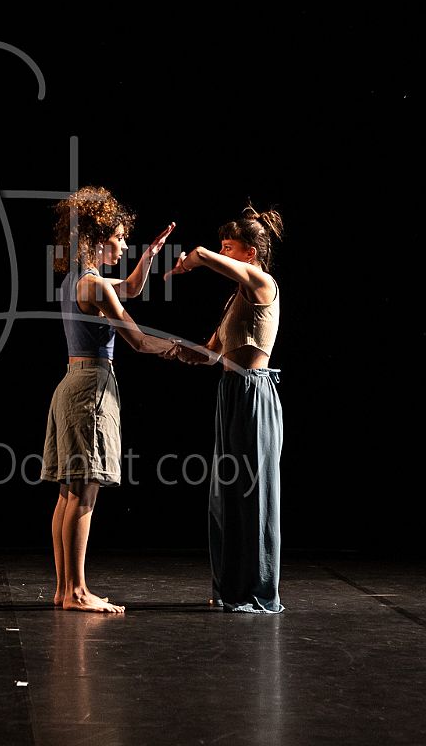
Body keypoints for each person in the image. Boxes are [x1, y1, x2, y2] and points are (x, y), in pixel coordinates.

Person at [42, 186, 197, 613]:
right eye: (120, 238)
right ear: (97, 238)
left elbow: (128, 288)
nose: (125, 246)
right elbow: (139, 341)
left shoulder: (77, 280)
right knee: (84, 493)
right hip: (91, 388)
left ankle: (65, 589)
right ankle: (77, 592)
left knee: (69, 492)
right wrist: (181, 351)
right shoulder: (94, 286)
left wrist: (148, 257)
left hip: (71, 384)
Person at [165, 203, 286, 613]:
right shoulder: (235, 300)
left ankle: (258, 589)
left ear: (249, 252)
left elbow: (201, 254)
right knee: (228, 491)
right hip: (230, 391)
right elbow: (212, 353)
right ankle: (231, 587)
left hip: (254, 392)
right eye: (222, 247)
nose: (222, 252)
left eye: (228, 247)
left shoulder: (262, 282)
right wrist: (176, 351)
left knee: (253, 490)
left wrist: (190, 262)